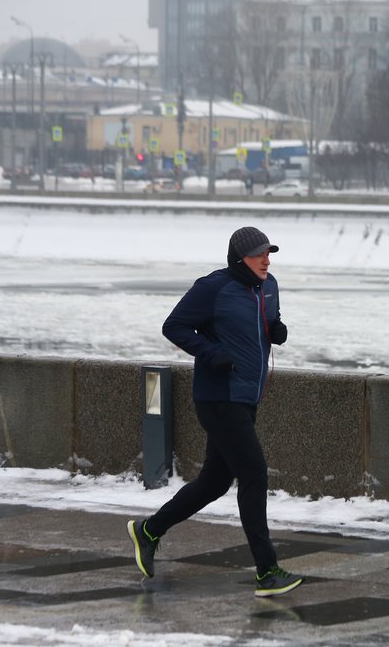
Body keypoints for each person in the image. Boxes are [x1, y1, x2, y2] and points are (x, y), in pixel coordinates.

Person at [128, 226, 303, 598]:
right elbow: (173, 326)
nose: (266, 260)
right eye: (259, 255)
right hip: (218, 398)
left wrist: (275, 328)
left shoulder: (268, 286)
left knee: (215, 482)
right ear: (240, 258)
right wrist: (210, 353)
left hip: (246, 397)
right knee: (254, 473)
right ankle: (266, 571)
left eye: (268, 253)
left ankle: (148, 530)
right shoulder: (213, 287)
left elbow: (264, 323)